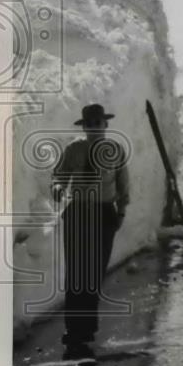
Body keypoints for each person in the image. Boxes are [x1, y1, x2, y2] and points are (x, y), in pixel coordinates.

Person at [51, 103, 129, 353]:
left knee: (94, 273)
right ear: (84, 127)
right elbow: (59, 177)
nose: (94, 128)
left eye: (98, 123)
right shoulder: (74, 149)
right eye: (90, 124)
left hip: (104, 214)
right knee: (76, 272)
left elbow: (123, 187)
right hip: (77, 213)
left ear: (105, 125)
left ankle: (87, 329)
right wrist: (58, 190)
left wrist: (121, 213)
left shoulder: (115, 151)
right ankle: (73, 330)